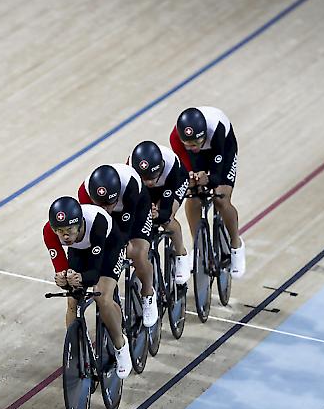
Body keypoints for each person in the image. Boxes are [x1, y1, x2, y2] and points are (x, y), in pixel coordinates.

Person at [43, 196, 132, 379]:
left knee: (103, 297)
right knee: (72, 301)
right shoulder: (49, 232)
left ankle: (121, 345)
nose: (65, 236)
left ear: (81, 223)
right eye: (60, 231)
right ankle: (76, 352)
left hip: (108, 247)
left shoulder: (96, 223)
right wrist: (62, 278)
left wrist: (81, 277)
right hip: (80, 249)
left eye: (69, 230)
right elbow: (61, 268)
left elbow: (95, 272)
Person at [77, 164, 159, 327]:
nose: (105, 209)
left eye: (109, 204)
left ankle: (148, 293)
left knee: (137, 252)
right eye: (101, 205)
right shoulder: (84, 193)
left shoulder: (130, 185)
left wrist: (118, 247)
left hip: (135, 210)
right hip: (108, 215)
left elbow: (124, 231)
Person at [169, 106, 246, 278]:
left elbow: (217, 176)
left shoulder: (216, 129)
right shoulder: (176, 138)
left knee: (221, 198)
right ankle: (200, 247)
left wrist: (209, 179)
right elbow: (185, 168)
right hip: (196, 155)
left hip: (222, 149)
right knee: (193, 196)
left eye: (195, 143)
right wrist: (192, 177)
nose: (193, 146)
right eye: (188, 144)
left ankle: (236, 244)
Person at [128, 140, 191, 284]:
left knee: (166, 219)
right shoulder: (130, 169)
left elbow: (166, 208)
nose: (150, 182)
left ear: (161, 166)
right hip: (146, 191)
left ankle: (181, 254)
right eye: (145, 178)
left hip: (173, 183)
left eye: (152, 176)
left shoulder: (171, 164)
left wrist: (159, 213)